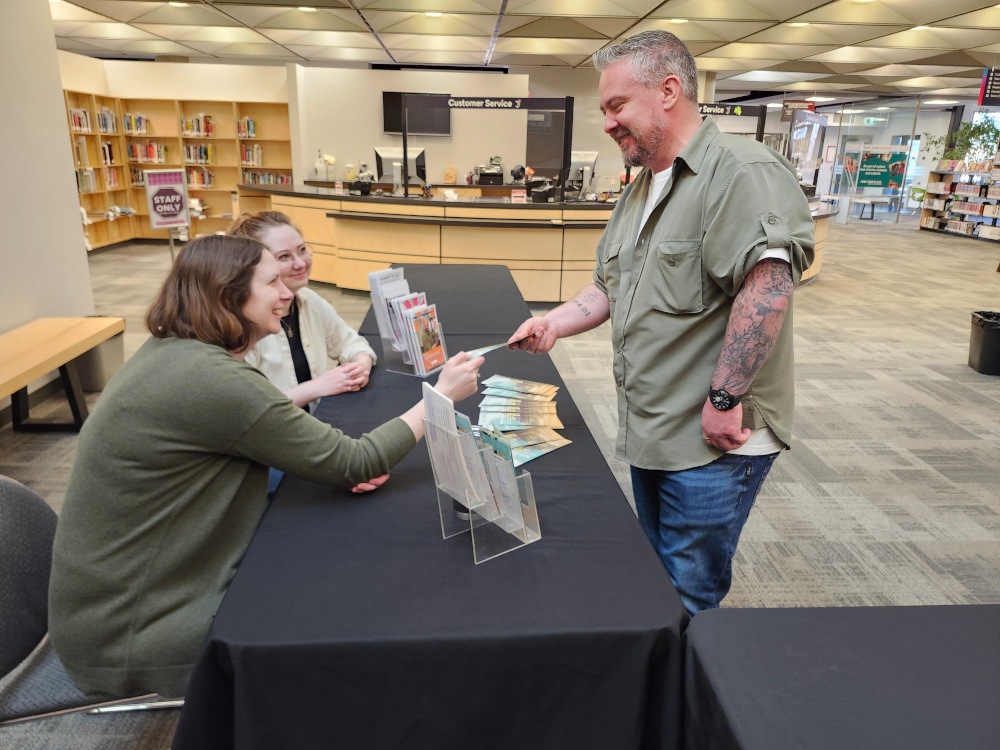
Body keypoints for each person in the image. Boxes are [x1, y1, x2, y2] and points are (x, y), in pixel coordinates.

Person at [48, 235, 483, 699]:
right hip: (133, 635)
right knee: (361, 602)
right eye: (272, 281)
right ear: (228, 296)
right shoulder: (211, 379)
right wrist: (438, 397)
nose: (288, 293)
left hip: (119, 606)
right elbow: (357, 461)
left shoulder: (176, 354)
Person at [509, 31, 814, 616]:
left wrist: (725, 397)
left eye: (616, 106)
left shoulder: (741, 171)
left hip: (714, 438)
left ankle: (681, 700)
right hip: (656, 427)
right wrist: (553, 324)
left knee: (688, 591)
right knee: (656, 576)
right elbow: (606, 286)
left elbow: (769, 286)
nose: (606, 123)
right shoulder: (645, 186)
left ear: (669, 91)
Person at [228, 211, 375, 413]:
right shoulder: (243, 324)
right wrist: (316, 387)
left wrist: (360, 366)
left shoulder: (309, 300)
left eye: (302, 250)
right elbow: (248, 410)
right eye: (284, 256)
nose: (301, 263)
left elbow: (351, 343)